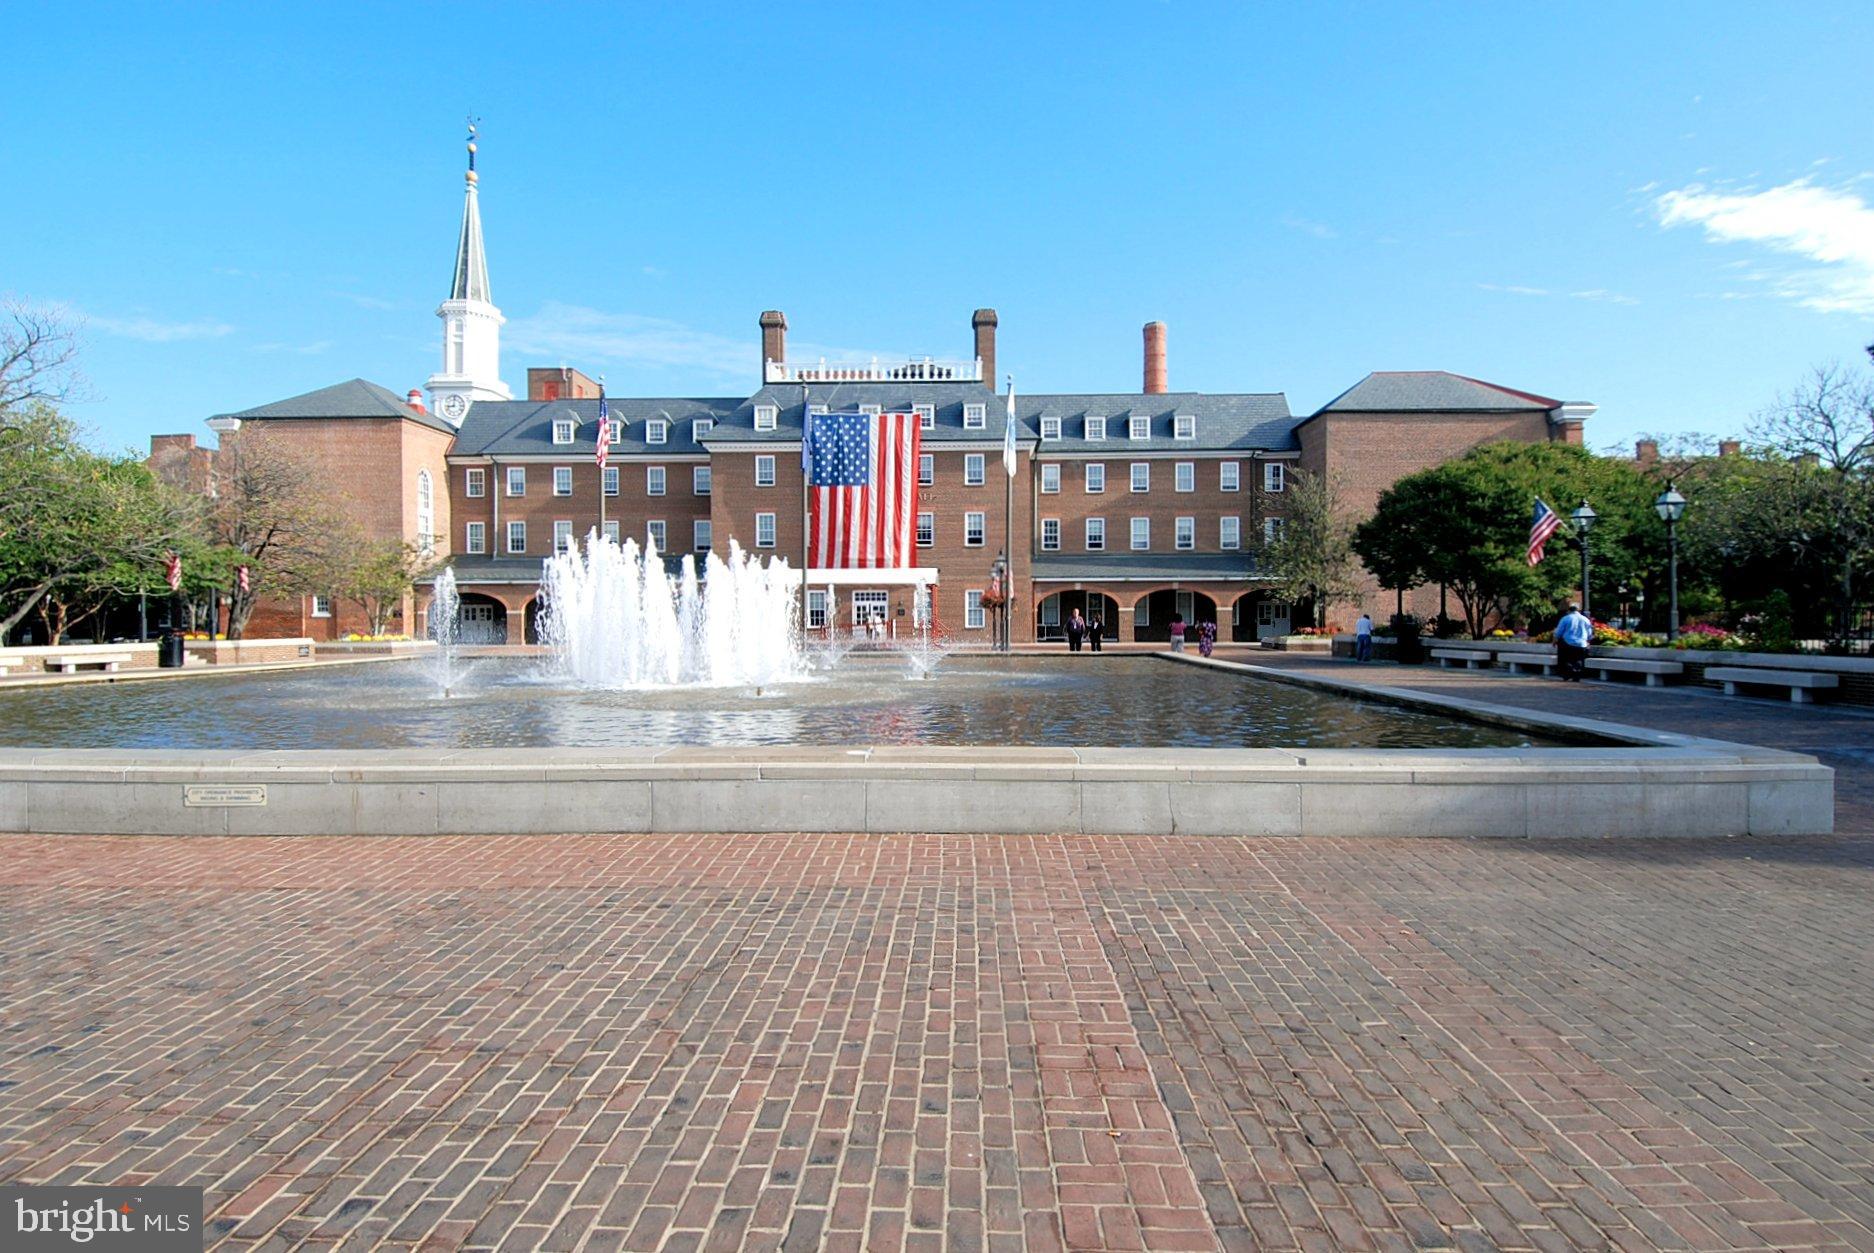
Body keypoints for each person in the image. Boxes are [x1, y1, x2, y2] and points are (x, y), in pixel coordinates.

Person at [1553, 602, 1593, 681]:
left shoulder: (1566, 618)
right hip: (1582, 643)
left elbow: (1558, 632)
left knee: (1567, 659)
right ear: (1578, 610)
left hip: (1568, 643)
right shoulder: (1585, 619)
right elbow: (1589, 633)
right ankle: (1577, 674)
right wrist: (1588, 641)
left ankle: (1568, 674)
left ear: (1569, 610)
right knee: (1579, 659)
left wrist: (1555, 640)